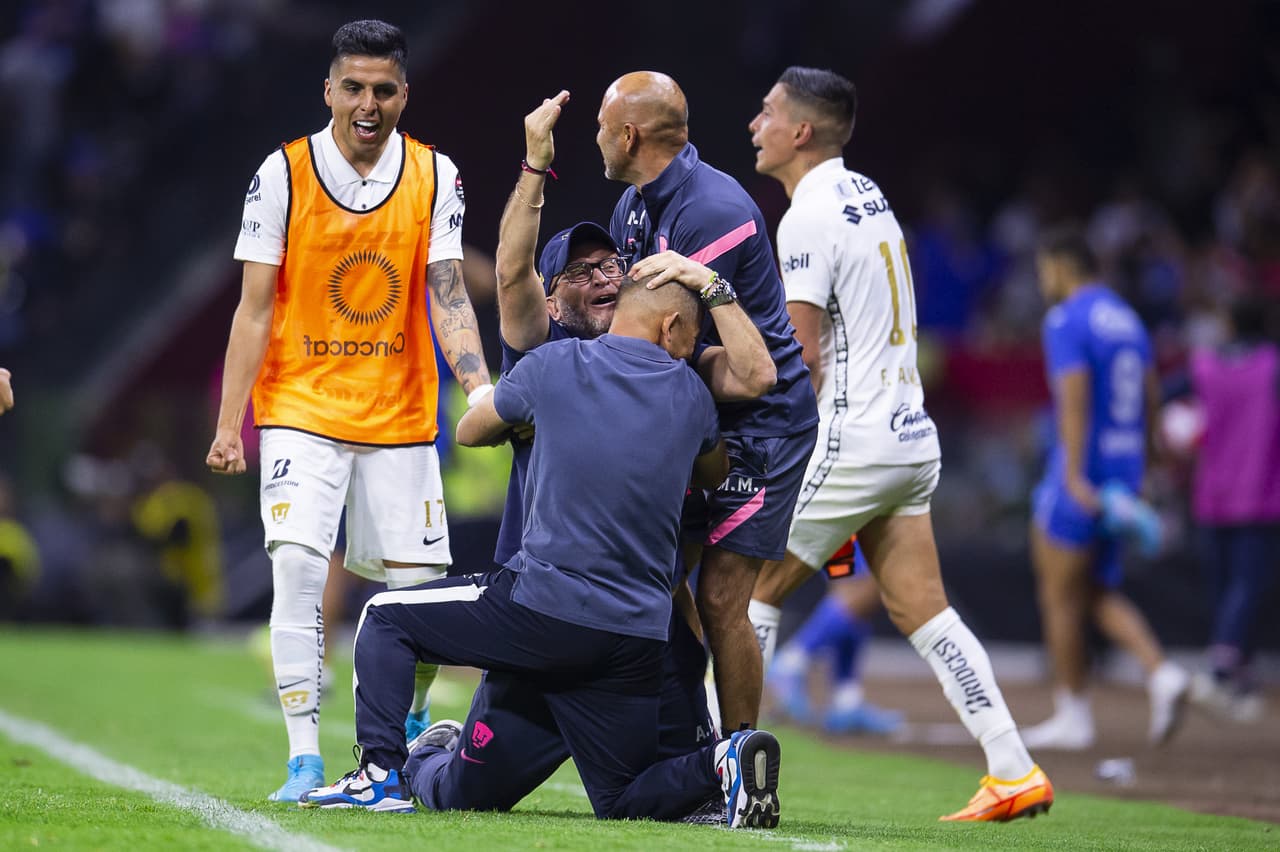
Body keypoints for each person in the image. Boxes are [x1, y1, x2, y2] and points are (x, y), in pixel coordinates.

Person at [299, 276, 784, 830]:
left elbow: (470, 431)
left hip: (542, 613)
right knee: (621, 799)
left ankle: (379, 775)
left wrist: (531, 420)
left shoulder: (553, 365)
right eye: (691, 340)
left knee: (384, 618)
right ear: (670, 326)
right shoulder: (693, 396)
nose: (688, 352)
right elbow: (714, 473)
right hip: (634, 638)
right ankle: (722, 760)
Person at [742, 66, 1051, 822]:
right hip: (909, 437)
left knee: (749, 593)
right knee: (923, 610)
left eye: (768, 112)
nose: (755, 124)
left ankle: (722, 770)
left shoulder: (806, 216)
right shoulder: (868, 195)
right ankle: (1013, 768)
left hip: (853, 437)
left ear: (801, 132)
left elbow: (802, 358)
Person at [205, 20, 492, 802]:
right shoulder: (283, 174)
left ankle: (408, 727)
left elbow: (447, 292)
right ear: (329, 90)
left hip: (400, 413)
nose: (369, 104)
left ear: (405, 94)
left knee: (421, 590)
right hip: (301, 406)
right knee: (298, 568)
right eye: (354, 88)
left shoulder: (435, 175)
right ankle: (303, 759)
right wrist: (231, 424)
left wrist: (480, 389)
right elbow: (254, 308)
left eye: (384, 90)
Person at [599, 71, 820, 734]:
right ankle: (692, 731)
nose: (597, 140)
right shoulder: (633, 206)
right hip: (699, 409)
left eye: (602, 128)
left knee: (723, 598)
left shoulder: (712, 209)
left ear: (629, 135)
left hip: (762, 422)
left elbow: (668, 338)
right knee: (655, 576)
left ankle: (741, 759)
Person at [1023, 225, 1188, 750]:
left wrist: (1073, 475)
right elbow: (1151, 392)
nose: (1043, 281)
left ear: (1061, 265)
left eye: (1044, 270)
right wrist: (1152, 459)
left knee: (1058, 595)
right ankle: (1161, 671)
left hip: (1084, 472)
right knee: (1095, 590)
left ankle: (1072, 714)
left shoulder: (1066, 319)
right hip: (1124, 469)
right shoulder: (1127, 318)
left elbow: (1073, 397)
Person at [1185, 297, 1279, 722]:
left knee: (1226, 588)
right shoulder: (1271, 367)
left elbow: (1164, 396)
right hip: (1260, 495)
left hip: (1213, 494)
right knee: (1248, 586)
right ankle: (1224, 666)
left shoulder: (1203, 366)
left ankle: (1237, 672)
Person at [766, 539, 903, 735]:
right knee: (866, 587)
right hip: (850, 519)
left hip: (854, 521)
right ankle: (789, 664)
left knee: (852, 591)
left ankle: (846, 701)